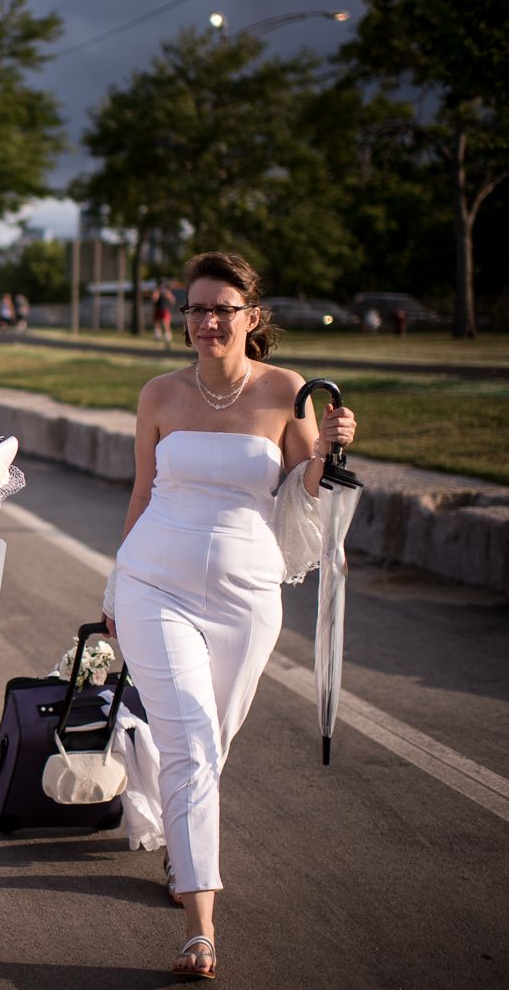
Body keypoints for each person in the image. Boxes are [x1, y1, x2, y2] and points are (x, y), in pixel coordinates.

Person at [101, 251, 358, 980]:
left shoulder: (287, 391)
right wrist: (116, 583)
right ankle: (199, 927)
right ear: (182, 318)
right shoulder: (157, 393)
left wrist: (333, 446)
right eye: (196, 309)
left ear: (252, 317)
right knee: (190, 739)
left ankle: (181, 840)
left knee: (209, 741)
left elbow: (309, 488)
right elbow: (141, 492)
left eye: (222, 309)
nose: (208, 321)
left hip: (248, 594)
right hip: (155, 581)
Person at [151, 279, 176, 347]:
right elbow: (154, 299)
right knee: (157, 324)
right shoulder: (156, 291)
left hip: (165, 310)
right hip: (158, 309)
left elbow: (173, 300)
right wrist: (157, 292)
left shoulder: (166, 292)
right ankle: (158, 337)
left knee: (166, 324)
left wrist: (167, 295)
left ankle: (167, 338)